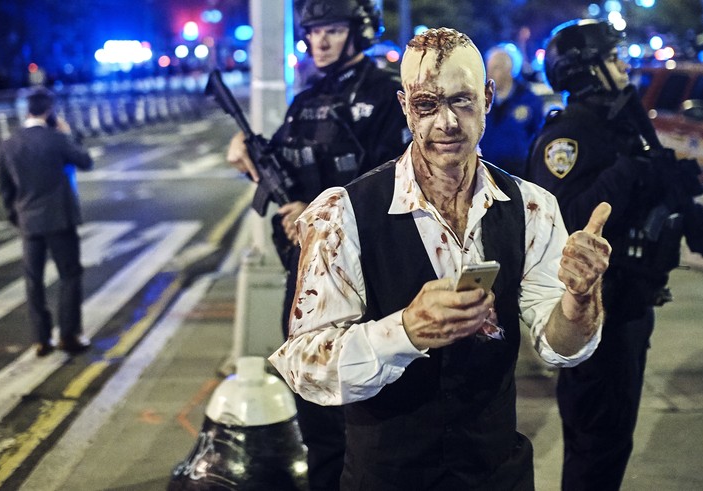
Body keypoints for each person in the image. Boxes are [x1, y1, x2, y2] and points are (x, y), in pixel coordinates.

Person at [269, 27, 613, 490]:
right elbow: (305, 366)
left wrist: (579, 298)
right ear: (404, 106)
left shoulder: (532, 207)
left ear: (488, 97)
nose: (447, 122)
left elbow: (561, 348)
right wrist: (405, 330)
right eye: (427, 105)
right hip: (386, 478)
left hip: (496, 474)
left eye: (462, 101)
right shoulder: (342, 213)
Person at [526, 19, 703, 490]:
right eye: (613, 58)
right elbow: (563, 218)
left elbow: (645, 192)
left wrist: (682, 200)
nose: (623, 66)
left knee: (612, 441)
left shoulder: (624, 124)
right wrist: (629, 173)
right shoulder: (571, 133)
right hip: (598, 310)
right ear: (586, 69)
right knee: (596, 444)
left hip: (633, 301)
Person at [226, 1, 410, 489]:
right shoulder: (305, 101)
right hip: (307, 279)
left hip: (365, 281)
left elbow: (394, 189)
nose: (320, 41)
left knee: (370, 424)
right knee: (317, 420)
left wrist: (315, 214)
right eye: (313, 32)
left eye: (332, 30)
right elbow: (284, 172)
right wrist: (252, 159)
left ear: (358, 32)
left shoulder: (385, 96)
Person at [0, 87, 93, 358]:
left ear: (26, 111)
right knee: (70, 275)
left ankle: (41, 338)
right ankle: (69, 334)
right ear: (49, 111)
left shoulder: (9, 143)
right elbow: (86, 161)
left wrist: (16, 216)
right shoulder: (56, 139)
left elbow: (5, 188)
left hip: (29, 220)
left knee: (33, 280)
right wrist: (67, 135)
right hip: (60, 219)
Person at [478, 44, 544, 177]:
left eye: (496, 67)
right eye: (488, 67)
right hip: (485, 173)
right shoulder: (480, 99)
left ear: (510, 69)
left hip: (518, 176)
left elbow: (538, 138)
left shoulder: (529, 100)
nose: (490, 73)